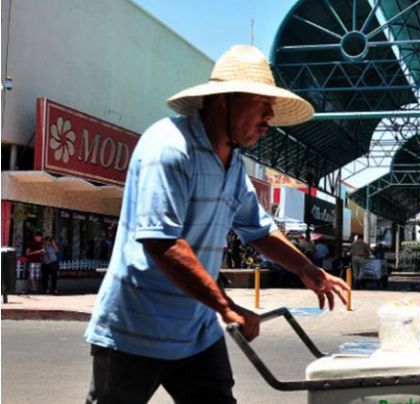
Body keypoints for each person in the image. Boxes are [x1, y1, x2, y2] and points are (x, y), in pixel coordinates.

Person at [83, 45, 349, 404]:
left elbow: (257, 229)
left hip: (196, 332)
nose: (269, 117)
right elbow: (163, 243)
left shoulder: (234, 164)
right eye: (262, 104)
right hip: (136, 329)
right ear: (225, 100)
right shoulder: (170, 148)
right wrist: (226, 306)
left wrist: (308, 269)